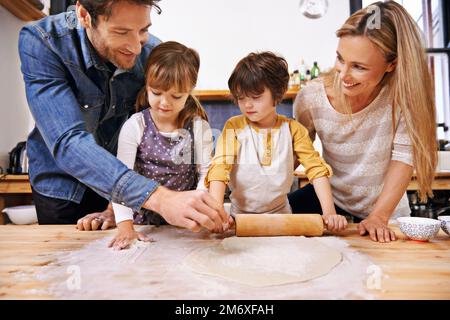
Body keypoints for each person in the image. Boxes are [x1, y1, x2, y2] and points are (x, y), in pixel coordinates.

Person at [18, 0, 227, 232]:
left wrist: (113, 207)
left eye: (143, 30)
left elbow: (138, 151)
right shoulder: (43, 41)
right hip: (62, 187)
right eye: (121, 32)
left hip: (128, 191)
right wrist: (161, 199)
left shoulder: (151, 53)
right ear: (85, 15)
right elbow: (69, 141)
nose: (137, 48)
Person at [289, 1, 437, 242]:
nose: (344, 75)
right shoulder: (312, 97)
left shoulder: (403, 99)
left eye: (358, 67)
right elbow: (297, 154)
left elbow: (404, 157)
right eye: (340, 58)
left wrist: (379, 216)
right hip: (331, 204)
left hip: (386, 212)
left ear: (392, 64)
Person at [109, 41, 233, 249]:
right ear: (147, 84)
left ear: (189, 91)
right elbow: (122, 178)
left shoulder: (198, 127)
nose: (165, 103)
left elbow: (206, 174)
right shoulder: (135, 126)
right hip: (145, 224)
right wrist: (125, 226)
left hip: (185, 224)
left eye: (176, 96)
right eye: (156, 93)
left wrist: (201, 211)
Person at [206, 52, 348, 232]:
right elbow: (219, 169)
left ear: (277, 93)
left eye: (256, 97)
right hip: (240, 221)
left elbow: (317, 170)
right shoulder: (234, 127)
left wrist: (329, 213)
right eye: (241, 98)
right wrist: (217, 212)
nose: (247, 105)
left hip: (283, 220)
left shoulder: (293, 130)